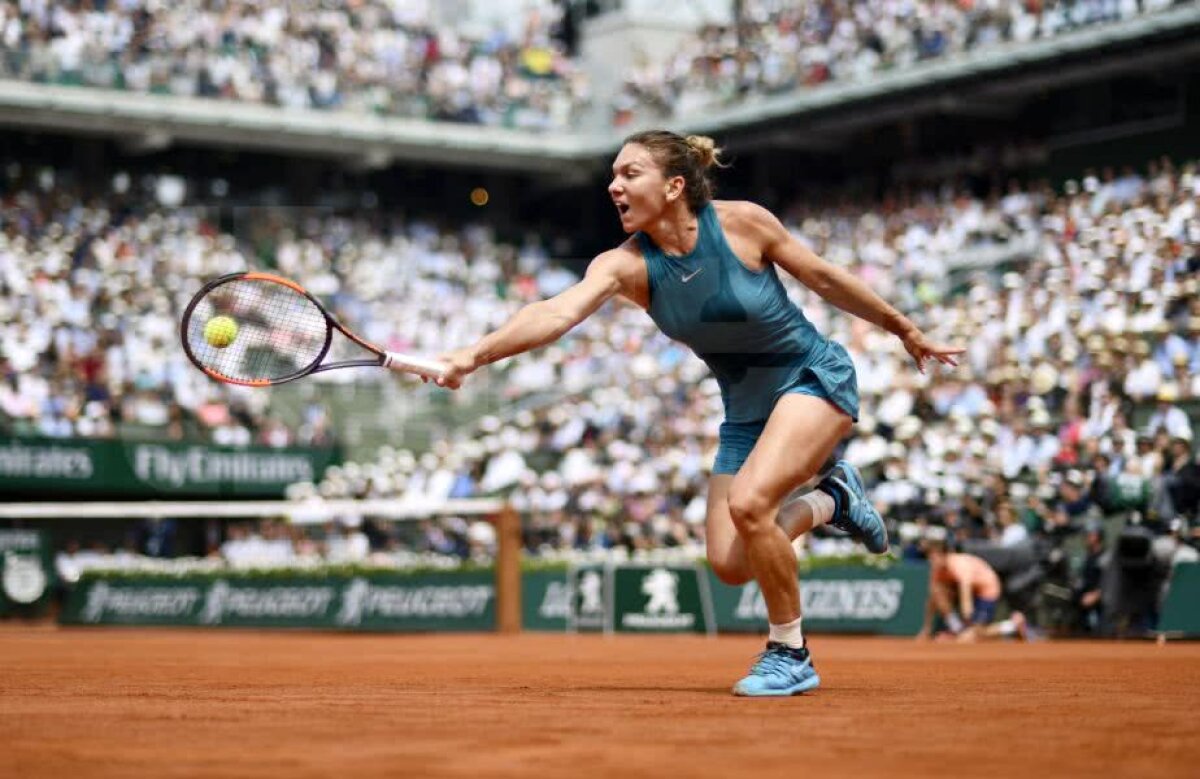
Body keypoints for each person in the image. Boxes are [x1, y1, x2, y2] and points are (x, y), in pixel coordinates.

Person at [434, 130, 962, 696]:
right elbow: (555, 312)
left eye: (630, 173)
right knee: (732, 564)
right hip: (745, 413)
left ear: (675, 185)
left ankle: (790, 651)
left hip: (812, 379)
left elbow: (825, 278)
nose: (613, 185)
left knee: (751, 504)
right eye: (613, 175)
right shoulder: (625, 267)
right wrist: (475, 353)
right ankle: (832, 498)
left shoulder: (742, 224)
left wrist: (903, 328)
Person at [918, 539, 1027, 642]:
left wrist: (968, 626)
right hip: (969, 592)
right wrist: (926, 628)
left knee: (974, 635)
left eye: (935, 556)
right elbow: (932, 600)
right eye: (930, 556)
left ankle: (1013, 625)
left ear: (944, 555)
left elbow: (966, 596)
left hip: (987, 590)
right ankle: (957, 628)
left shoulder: (959, 565)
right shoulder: (936, 569)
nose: (931, 560)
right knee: (937, 591)